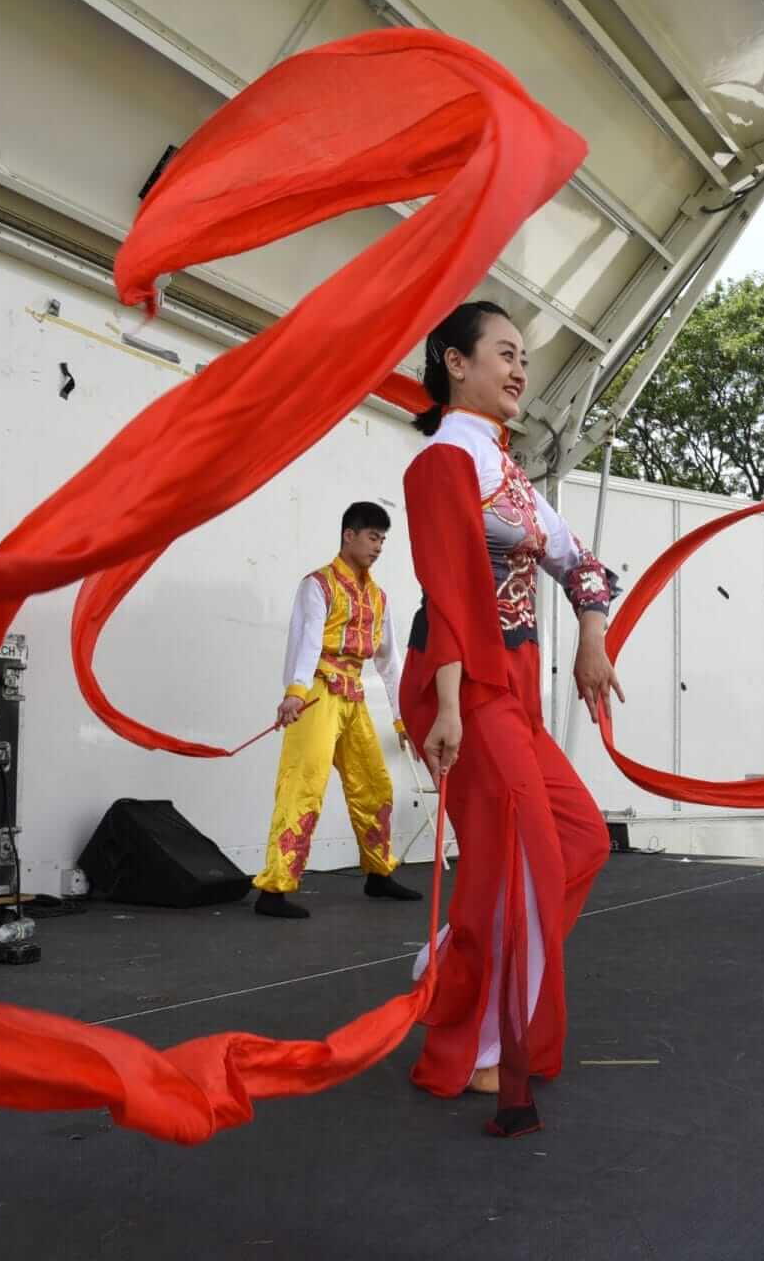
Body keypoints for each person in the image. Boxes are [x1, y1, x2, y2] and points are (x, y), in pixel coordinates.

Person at [398, 300, 622, 1138]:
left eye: (525, 356)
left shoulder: (514, 477)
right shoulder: (442, 463)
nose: (521, 369)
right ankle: (478, 1037)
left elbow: (584, 565)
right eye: (505, 352)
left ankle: (462, 968)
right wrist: (450, 704)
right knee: (513, 860)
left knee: (579, 842)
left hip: (515, 686)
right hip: (465, 683)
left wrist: (592, 639)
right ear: (455, 363)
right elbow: (450, 590)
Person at [252, 501, 424, 919]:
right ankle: (274, 888)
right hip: (316, 692)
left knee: (375, 784)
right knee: (302, 786)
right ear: (349, 535)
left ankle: (379, 874)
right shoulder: (319, 585)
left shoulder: (378, 598)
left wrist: (404, 718)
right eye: (372, 536)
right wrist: (295, 690)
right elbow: (308, 639)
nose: (378, 546)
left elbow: (389, 661)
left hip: (353, 697)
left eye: (383, 539)